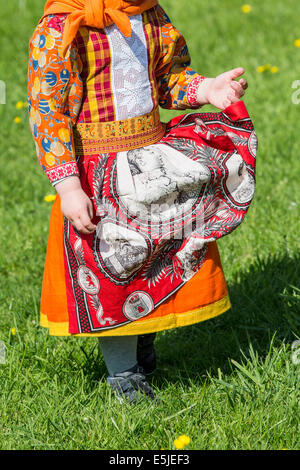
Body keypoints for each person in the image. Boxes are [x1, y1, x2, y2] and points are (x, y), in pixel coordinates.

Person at [27, 0, 257, 403]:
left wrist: (206, 88)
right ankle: (123, 373)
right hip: (99, 175)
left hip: (152, 161)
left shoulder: (148, 13)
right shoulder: (62, 27)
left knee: (158, 257)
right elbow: (50, 112)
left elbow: (168, 78)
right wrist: (67, 186)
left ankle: (143, 336)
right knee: (112, 271)